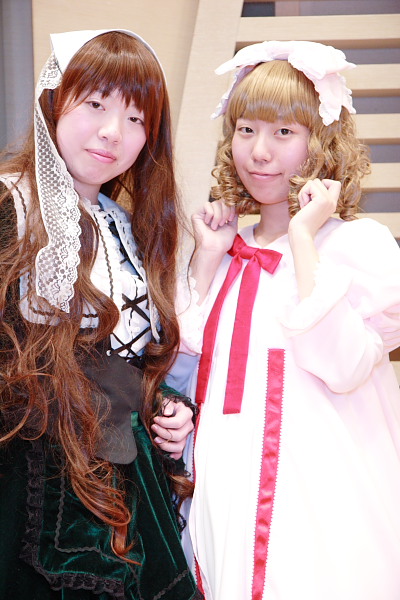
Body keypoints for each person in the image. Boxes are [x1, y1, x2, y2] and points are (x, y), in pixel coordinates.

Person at [178, 41, 400, 600]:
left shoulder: (358, 247)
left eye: (283, 132)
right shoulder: (225, 250)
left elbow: (344, 367)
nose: (259, 151)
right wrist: (206, 258)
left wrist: (303, 236)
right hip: (227, 492)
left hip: (322, 504)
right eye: (247, 130)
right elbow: (181, 373)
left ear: (320, 143)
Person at [0, 29, 202, 599]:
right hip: (31, 486)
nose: (114, 131)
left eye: (136, 118)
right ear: (54, 102)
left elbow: (125, 362)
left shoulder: (127, 226)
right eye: (95, 104)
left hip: (127, 488)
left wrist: (165, 408)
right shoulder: (10, 204)